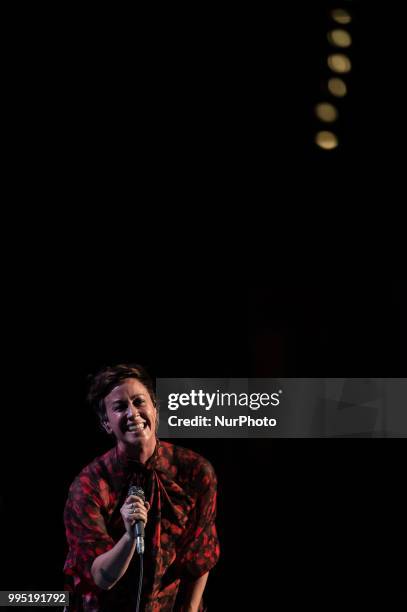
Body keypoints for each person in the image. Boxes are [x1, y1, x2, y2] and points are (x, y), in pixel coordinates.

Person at [63, 364, 220, 611]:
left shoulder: (195, 471)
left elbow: (200, 556)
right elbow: (100, 578)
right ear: (106, 424)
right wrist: (128, 537)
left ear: (156, 410)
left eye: (139, 402)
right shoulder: (89, 485)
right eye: (120, 407)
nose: (133, 413)